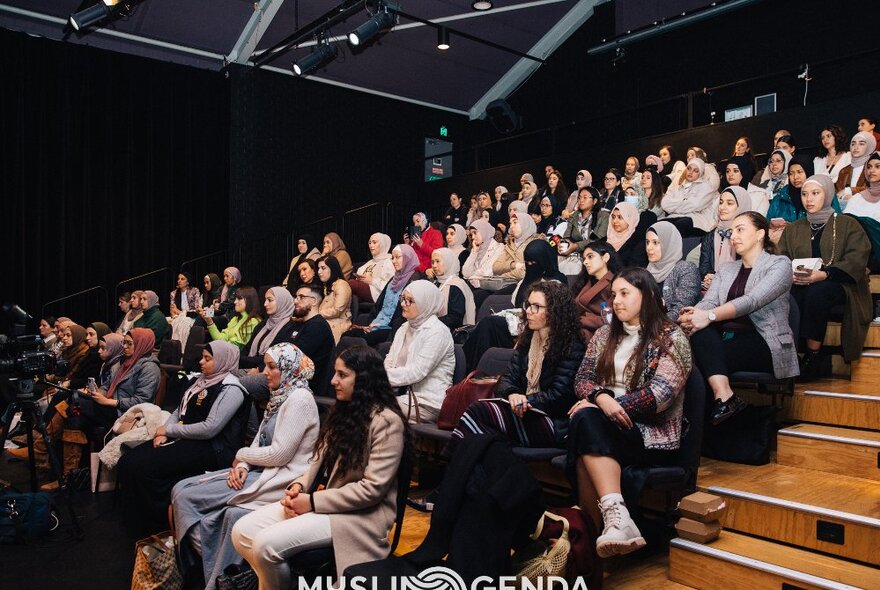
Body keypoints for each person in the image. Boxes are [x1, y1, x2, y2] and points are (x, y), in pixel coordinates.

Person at [231, 346, 410, 586]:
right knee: (241, 531)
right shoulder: (345, 411)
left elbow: (372, 490)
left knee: (265, 545)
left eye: (343, 375)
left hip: (358, 517)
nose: (333, 381)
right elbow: (316, 461)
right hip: (325, 503)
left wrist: (313, 502)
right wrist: (299, 485)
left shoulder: (387, 422)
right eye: (335, 373)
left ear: (365, 379)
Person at [171, 343, 320, 589]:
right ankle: (201, 568)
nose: (265, 372)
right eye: (266, 366)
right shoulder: (281, 394)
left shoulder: (300, 399)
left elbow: (279, 455)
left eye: (272, 367)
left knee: (185, 495)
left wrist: (241, 455)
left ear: (288, 368)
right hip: (260, 471)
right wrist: (242, 464)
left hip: (278, 478)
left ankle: (203, 574)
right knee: (181, 489)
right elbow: (258, 439)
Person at [568, 267, 692, 558]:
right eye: (613, 295)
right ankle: (614, 524)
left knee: (585, 421)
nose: (616, 301)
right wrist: (599, 397)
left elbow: (659, 396)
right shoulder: (603, 335)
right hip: (605, 426)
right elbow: (582, 379)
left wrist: (608, 405)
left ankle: (590, 539)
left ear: (647, 296)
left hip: (650, 433)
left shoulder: (672, 337)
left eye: (625, 293)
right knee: (585, 422)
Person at [119, 341, 248, 536]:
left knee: (144, 468)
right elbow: (180, 410)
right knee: (128, 461)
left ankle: (155, 526)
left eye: (208, 358)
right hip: (188, 439)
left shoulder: (231, 389)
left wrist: (168, 431)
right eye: (202, 357)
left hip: (213, 448)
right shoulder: (201, 380)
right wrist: (164, 432)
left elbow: (209, 429)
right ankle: (136, 522)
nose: (201, 362)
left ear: (223, 361)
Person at [682, 212, 799, 425]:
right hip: (728, 339)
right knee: (700, 336)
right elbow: (708, 303)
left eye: (740, 229)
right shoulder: (726, 269)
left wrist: (708, 316)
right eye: (731, 231)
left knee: (699, 355)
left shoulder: (779, 265)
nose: (733, 235)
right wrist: (693, 316)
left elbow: (752, 301)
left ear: (760, 234)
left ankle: (704, 420)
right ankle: (724, 398)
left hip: (766, 342)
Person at [448, 281, 585, 455]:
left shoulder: (571, 345)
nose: (528, 311)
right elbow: (506, 379)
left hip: (552, 422)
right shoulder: (528, 340)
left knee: (479, 416)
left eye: (536, 307)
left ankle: (450, 468)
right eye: (528, 305)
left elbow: (559, 396)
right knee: (484, 442)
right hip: (523, 413)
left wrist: (525, 401)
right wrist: (512, 394)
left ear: (555, 311)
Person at [778, 175, 872, 379]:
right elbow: (781, 257)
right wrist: (790, 274)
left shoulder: (848, 224)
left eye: (815, 193)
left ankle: (813, 356)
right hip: (801, 281)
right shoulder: (794, 228)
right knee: (789, 295)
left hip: (841, 285)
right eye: (804, 194)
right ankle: (789, 354)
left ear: (828, 194)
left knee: (817, 292)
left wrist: (824, 274)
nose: (808, 199)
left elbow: (857, 259)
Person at [462, 240, 567, 370]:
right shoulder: (527, 278)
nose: (530, 266)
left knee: (489, 325)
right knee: (487, 325)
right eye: (527, 263)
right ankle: (469, 367)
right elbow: (516, 301)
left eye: (534, 263)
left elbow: (550, 314)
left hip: (535, 330)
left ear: (544, 261)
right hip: (519, 324)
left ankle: (470, 368)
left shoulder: (555, 282)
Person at [384, 280, 455, 424]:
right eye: (403, 298)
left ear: (425, 303)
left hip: (428, 402)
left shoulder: (437, 332)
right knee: (359, 401)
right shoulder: (404, 328)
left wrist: (378, 378)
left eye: (410, 301)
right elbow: (389, 362)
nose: (403, 304)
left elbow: (417, 372)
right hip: (403, 395)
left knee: (374, 409)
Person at [343, 244, 422, 346]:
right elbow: (379, 305)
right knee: (347, 335)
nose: (393, 261)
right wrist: (370, 324)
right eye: (392, 258)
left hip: (392, 328)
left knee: (361, 341)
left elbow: (408, 312)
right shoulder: (393, 279)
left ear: (407, 258)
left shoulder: (415, 280)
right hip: (377, 324)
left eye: (397, 257)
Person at [699, 186, 753, 290]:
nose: (722, 207)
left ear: (741, 206)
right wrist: (710, 277)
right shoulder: (710, 236)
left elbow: (749, 271)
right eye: (721, 202)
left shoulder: (749, 236)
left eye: (729, 203)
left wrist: (719, 281)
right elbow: (704, 267)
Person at [646, 221, 701, 321]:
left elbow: (680, 311)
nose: (649, 248)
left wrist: (650, 325)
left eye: (655, 242)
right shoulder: (647, 271)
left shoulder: (686, 269)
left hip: (673, 329)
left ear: (669, 243)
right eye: (647, 242)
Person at [573, 241, 622, 342]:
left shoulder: (615, 284)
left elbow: (610, 320)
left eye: (590, 256)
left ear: (605, 257)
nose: (585, 262)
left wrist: (581, 320)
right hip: (580, 332)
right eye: (584, 258)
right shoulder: (585, 282)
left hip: (598, 337)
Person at [661, 158, 719, 237]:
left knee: (676, 227)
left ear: (701, 174)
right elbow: (664, 204)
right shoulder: (679, 186)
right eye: (689, 169)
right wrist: (685, 201)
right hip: (675, 217)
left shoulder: (706, 186)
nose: (691, 172)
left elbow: (696, 205)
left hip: (695, 221)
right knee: (657, 226)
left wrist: (675, 207)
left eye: (695, 171)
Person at [431, 248, 476, 330]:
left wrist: (430, 322)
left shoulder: (456, 285)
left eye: (437, 261)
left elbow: (455, 318)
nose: (434, 265)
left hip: (453, 333)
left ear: (448, 262)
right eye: (432, 262)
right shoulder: (438, 283)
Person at [560, 186, 609, 256]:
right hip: (573, 253)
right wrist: (564, 244)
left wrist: (576, 246)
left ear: (594, 201)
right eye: (579, 198)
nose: (581, 200)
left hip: (595, 253)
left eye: (585, 197)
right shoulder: (574, 216)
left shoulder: (603, 216)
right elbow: (567, 236)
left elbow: (597, 238)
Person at [349, 233, 394, 303]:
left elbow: (391, 286)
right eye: (369, 243)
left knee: (350, 284)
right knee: (349, 296)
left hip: (378, 293)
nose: (371, 246)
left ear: (382, 244)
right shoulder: (370, 262)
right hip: (364, 291)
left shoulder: (389, 262)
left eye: (374, 242)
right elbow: (360, 272)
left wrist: (372, 281)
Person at [493, 214, 541, 279]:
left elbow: (525, 272)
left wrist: (502, 277)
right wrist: (514, 265)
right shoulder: (509, 244)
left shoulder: (537, 244)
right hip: (509, 283)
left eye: (515, 222)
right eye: (510, 223)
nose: (511, 226)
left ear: (525, 224)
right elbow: (495, 268)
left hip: (530, 285)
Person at [317, 255, 352, 343]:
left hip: (338, 325)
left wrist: (316, 315)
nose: (319, 272)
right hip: (326, 322)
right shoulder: (328, 286)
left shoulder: (341, 284)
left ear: (332, 269)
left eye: (323, 268)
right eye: (318, 268)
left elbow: (337, 310)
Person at [462, 219, 503, 290]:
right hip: (475, 285)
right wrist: (474, 252)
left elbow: (486, 273)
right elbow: (465, 273)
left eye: (475, 233)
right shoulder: (476, 249)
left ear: (484, 231)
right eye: (471, 234)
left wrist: (472, 277)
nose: (473, 237)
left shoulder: (499, 248)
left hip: (490, 287)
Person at [835, 131, 876, 201]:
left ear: (869, 146)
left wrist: (851, 190)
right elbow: (837, 193)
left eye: (861, 144)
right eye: (853, 144)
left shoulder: (876, 167)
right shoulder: (844, 170)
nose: (856, 147)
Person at [607, 203, 650, 267]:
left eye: (620, 217)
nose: (615, 221)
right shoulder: (605, 240)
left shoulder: (637, 244)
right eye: (613, 217)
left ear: (630, 219)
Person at [845, 152, 880, 221]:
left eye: (877, 166)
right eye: (869, 167)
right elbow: (845, 223)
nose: (871, 171)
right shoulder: (857, 198)